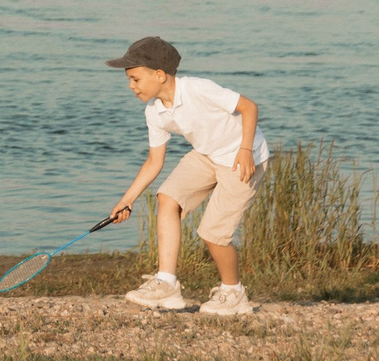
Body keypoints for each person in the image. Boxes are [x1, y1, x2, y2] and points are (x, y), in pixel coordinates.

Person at [104, 35, 268, 316]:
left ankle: (233, 292)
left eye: (135, 78)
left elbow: (248, 107)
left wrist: (245, 150)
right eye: (129, 79)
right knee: (168, 197)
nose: (131, 86)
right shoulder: (154, 112)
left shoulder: (197, 89)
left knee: (213, 234)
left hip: (243, 159)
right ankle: (167, 284)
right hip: (207, 155)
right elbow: (155, 161)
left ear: (159, 75)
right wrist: (127, 200)